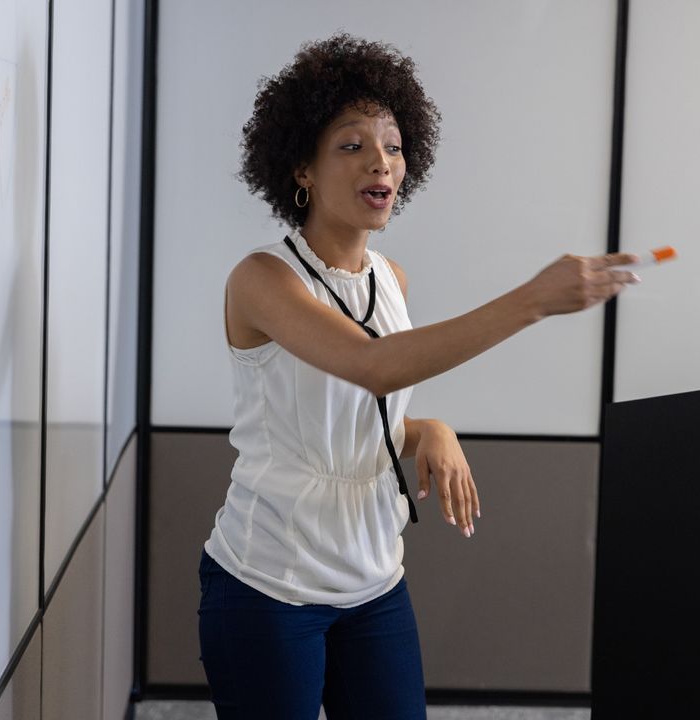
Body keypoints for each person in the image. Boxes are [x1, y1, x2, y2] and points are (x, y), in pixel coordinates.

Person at [197, 32, 639, 720]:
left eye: (394, 146)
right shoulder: (263, 281)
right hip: (268, 583)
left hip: (374, 580)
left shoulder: (391, 279)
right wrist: (532, 301)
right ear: (302, 169)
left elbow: (352, 419)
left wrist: (428, 428)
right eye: (352, 145)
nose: (382, 162)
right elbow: (371, 368)